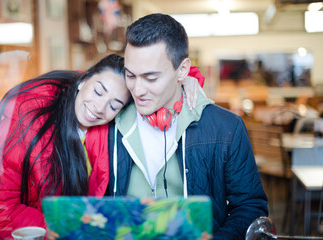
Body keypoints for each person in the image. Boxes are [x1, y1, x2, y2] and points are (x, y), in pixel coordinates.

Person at [0, 53, 205, 239]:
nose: (100, 107)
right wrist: (67, 227)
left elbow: (156, 67)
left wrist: (187, 78)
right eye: (99, 92)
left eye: (114, 105)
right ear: (83, 80)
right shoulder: (27, 116)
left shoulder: (105, 124)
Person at [104, 14, 268, 239]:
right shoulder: (108, 122)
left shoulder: (227, 128)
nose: (138, 89)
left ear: (183, 70)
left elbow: (250, 207)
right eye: (130, 75)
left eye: (151, 78)